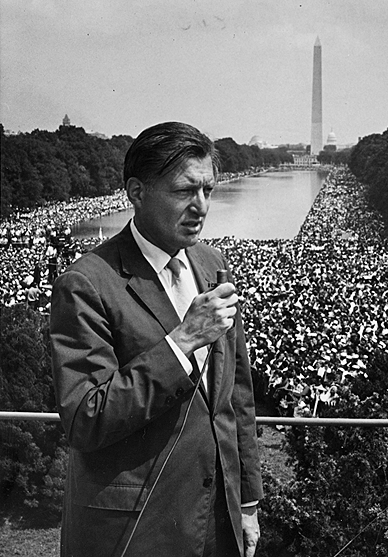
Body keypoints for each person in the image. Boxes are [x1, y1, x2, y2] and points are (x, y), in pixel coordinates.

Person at [50, 122, 263, 556]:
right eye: (185, 191)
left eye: (208, 190)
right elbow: (85, 419)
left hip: (216, 519)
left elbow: (235, 394)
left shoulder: (211, 262)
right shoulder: (86, 283)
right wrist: (180, 341)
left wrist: (248, 502)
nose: (201, 207)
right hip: (135, 528)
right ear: (137, 192)